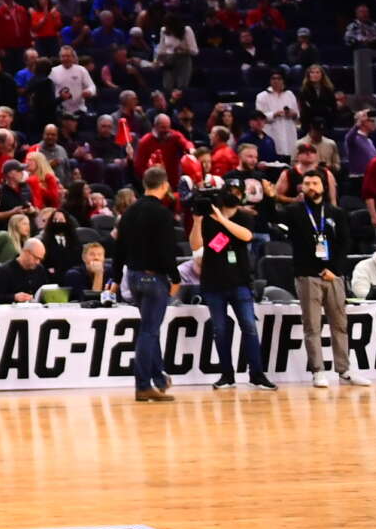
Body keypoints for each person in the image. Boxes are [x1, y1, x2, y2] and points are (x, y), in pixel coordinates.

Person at [279, 157, 355, 386]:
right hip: (307, 275)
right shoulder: (294, 212)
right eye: (307, 183)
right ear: (301, 187)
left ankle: (344, 370)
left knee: (339, 324)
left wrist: (334, 270)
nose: (311, 187)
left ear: (323, 187)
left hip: (333, 276)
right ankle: (318, 370)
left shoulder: (335, 213)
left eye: (315, 183)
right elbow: (295, 242)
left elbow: (345, 244)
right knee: (312, 325)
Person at [192, 189, 275, 390]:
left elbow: (246, 236)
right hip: (213, 284)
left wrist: (222, 219)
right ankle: (226, 375)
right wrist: (196, 220)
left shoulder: (244, 217)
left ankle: (257, 374)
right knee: (220, 330)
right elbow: (196, 246)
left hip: (240, 282)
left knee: (249, 326)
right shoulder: (206, 220)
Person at [114, 166, 182, 401]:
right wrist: (175, 276)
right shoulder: (162, 213)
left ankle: (159, 379)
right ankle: (143, 385)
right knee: (149, 332)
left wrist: (114, 278)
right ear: (164, 185)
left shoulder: (129, 212)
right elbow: (166, 251)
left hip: (133, 277)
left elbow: (119, 249)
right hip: (154, 278)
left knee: (149, 331)